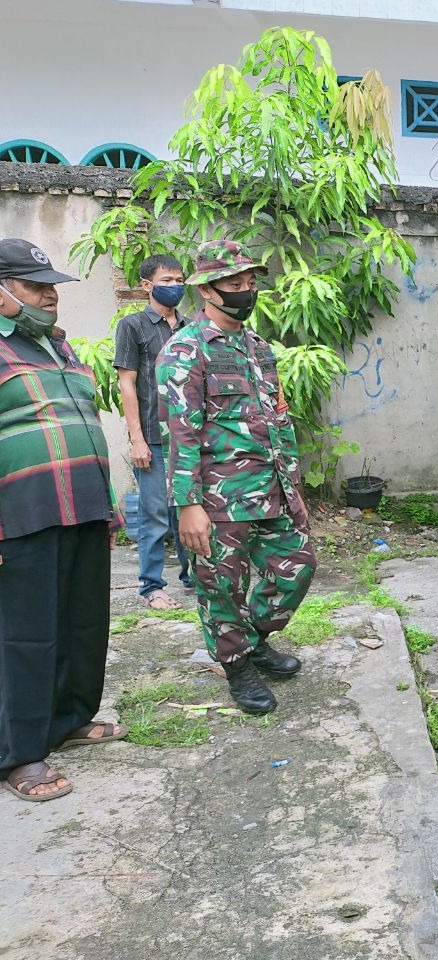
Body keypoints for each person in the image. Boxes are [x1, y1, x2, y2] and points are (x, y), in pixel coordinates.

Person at [158, 240, 315, 715]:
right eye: (234, 283)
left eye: (250, 283)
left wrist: (295, 489)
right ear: (207, 290)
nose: (246, 291)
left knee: (297, 566)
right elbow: (180, 434)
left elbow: (278, 419)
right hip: (217, 499)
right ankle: (237, 664)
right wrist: (188, 505)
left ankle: (255, 637)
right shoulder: (185, 350)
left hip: (271, 489)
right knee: (220, 585)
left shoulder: (259, 348)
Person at [0, 238, 126, 802]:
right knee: (25, 635)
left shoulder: (57, 346)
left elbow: (81, 423)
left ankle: (70, 717)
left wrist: (109, 500)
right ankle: (21, 752)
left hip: (82, 504)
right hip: (23, 511)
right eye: (35, 286)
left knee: (82, 622)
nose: (50, 296)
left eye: (51, 285)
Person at [115, 255, 193, 609]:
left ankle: (193, 576)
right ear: (147, 285)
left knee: (188, 508)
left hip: (187, 438)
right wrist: (137, 440)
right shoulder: (133, 326)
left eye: (179, 278)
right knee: (155, 512)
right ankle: (151, 586)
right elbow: (127, 384)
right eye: (167, 279)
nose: (174, 284)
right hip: (152, 437)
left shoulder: (191, 329)